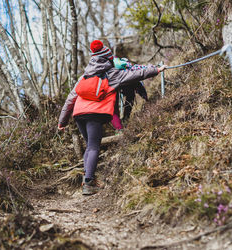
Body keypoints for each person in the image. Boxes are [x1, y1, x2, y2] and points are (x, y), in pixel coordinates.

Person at [58, 40, 166, 195]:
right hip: (94, 114)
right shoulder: (112, 73)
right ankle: (88, 184)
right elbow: (135, 73)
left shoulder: (84, 76)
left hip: (78, 114)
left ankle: (88, 178)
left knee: (89, 146)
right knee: (94, 147)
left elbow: (70, 98)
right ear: (108, 58)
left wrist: (62, 121)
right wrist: (156, 69)